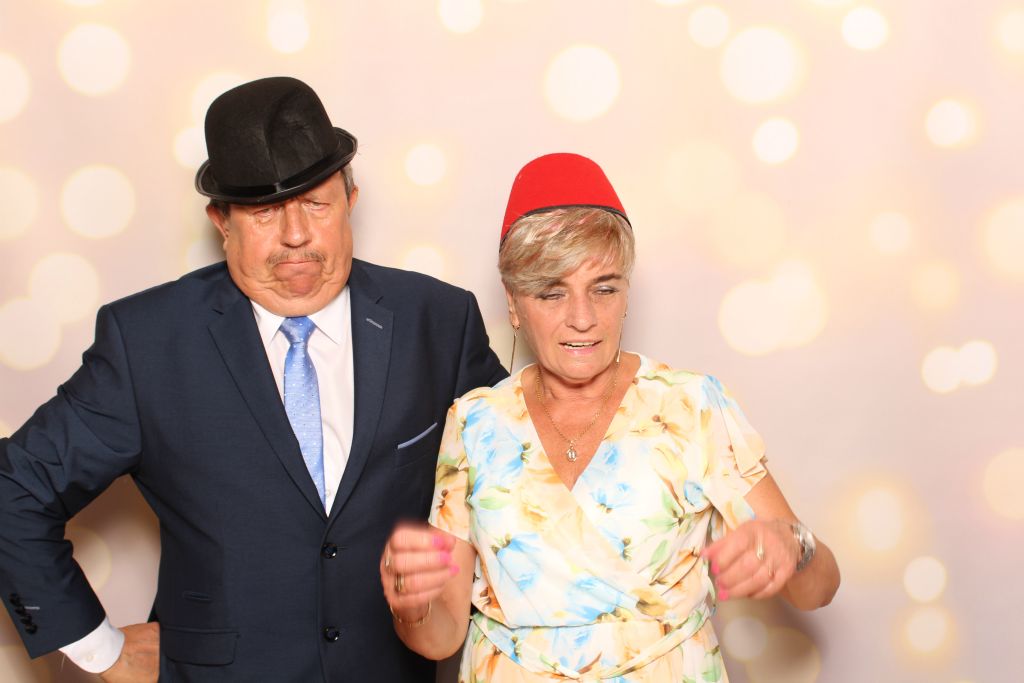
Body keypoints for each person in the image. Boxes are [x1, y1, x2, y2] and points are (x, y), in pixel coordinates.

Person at [0, 76, 506, 681]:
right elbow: (13, 491)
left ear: (351, 198)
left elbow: (519, 485)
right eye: (264, 212)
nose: (296, 235)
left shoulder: (439, 321)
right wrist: (98, 649)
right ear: (221, 220)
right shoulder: (147, 343)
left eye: (316, 204)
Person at [379, 153, 840, 681]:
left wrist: (795, 546)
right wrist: (411, 602)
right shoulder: (474, 423)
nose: (583, 318)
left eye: (604, 288)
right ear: (513, 304)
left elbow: (818, 590)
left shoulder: (690, 406)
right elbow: (440, 638)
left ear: (627, 293)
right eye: (552, 292)